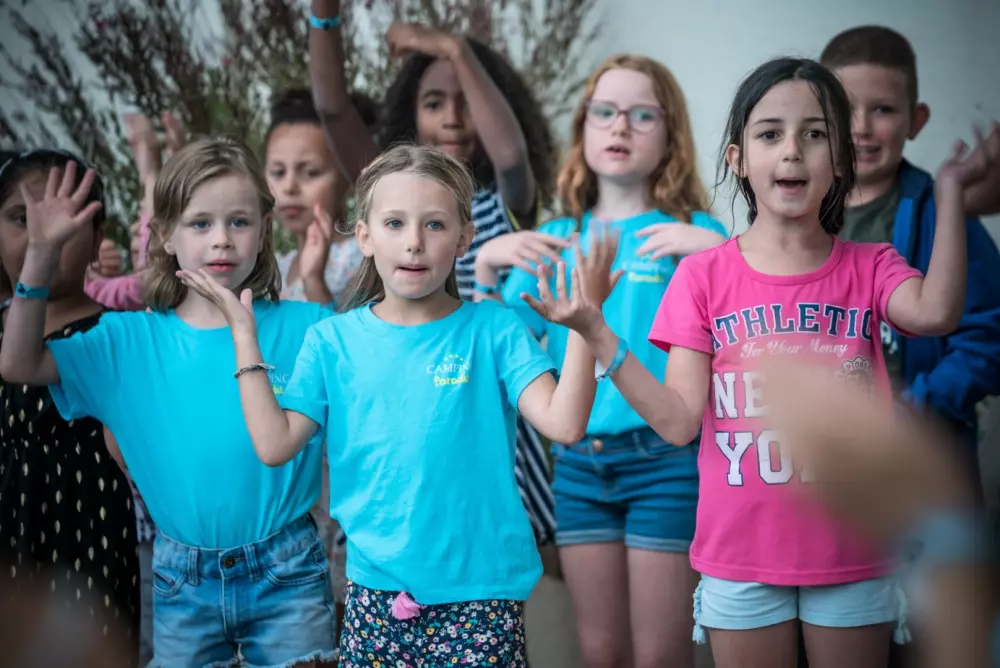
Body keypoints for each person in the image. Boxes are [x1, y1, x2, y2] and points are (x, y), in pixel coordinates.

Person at [572, 57, 992, 667]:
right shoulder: (701, 276)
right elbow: (679, 422)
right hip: (738, 558)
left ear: (840, 158)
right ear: (739, 159)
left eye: (814, 134)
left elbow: (936, 313)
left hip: (853, 551)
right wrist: (598, 334)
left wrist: (951, 194)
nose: (792, 150)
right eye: (770, 134)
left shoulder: (872, 265)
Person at [177, 144, 618, 666]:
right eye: (394, 223)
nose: (413, 242)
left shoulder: (493, 329)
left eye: (434, 224)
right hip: (374, 596)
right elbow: (275, 445)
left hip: (482, 596)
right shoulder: (331, 341)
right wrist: (243, 336)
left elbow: (565, 424)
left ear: (464, 238)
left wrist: (585, 328)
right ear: (364, 236)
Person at [0, 138, 339, 667]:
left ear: (264, 230)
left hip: (288, 569)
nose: (221, 238)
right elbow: (19, 364)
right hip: (183, 579)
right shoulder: (125, 341)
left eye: (239, 222)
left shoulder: (309, 327)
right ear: (164, 234)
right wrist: (39, 258)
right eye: (200, 223)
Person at [492, 54, 726, 668]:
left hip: (666, 465)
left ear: (670, 134)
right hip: (577, 467)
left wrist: (720, 250)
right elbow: (503, 345)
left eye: (642, 114)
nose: (621, 126)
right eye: (605, 112)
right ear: (584, 128)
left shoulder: (692, 233)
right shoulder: (556, 238)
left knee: (660, 657)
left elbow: (751, 328)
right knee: (600, 654)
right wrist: (487, 266)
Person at [308, 0, 561, 548]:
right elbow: (332, 110)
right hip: (409, 429)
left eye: (466, 101)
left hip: (489, 428)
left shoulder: (506, 201)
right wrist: (324, 16)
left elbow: (511, 156)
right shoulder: (389, 191)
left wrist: (452, 47)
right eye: (434, 103)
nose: (452, 118)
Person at [820, 26, 1000, 485]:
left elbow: (988, 337)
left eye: (882, 109)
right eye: (844, 108)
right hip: (818, 460)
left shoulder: (944, 216)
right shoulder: (798, 213)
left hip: (921, 462)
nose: (861, 127)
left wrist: (917, 407)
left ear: (915, 120)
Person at [0, 149, 140, 666]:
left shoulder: (118, 335)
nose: (44, 234)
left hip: (86, 540)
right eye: (22, 218)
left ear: (98, 233)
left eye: (65, 219)